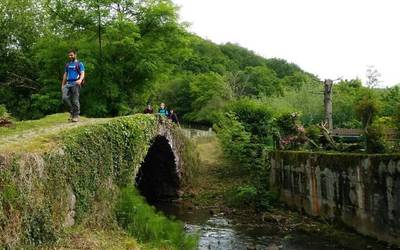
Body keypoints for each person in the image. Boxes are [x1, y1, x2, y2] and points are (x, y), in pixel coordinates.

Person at [61, 49, 85, 122]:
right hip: (68, 83)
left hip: (76, 83)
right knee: (64, 98)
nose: (70, 56)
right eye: (69, 55)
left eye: (71, 55)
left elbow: (83, 73)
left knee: (75, 100)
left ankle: (76, 116)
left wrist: (80, 80)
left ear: (75, 55)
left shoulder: (79, 64)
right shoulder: (67, 64)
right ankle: (72, 111)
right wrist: (62, 84)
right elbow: (65, 75)